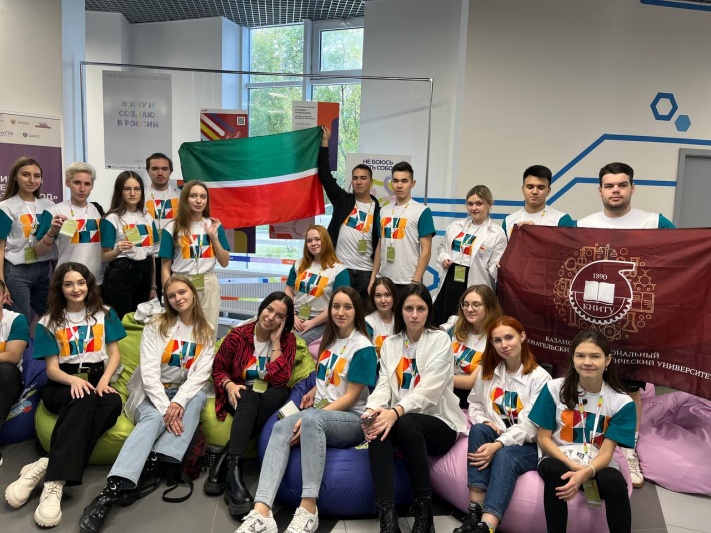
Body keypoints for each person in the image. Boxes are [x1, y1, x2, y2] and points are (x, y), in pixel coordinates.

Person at [78, 274, 215, 533]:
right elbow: (150, 374)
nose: (178, 298)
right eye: (171, 295)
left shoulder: (206, 329)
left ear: (193, 293)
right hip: (150, 392)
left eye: (182, 292)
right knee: (153, 418)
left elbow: (200, 375)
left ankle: (150, 464)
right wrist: (167, 409)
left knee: (197, 397)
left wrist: (179, 401)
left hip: (181, 391)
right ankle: (109, 492)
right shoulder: (156, 325)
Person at [235, 286, 377, 533]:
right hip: (322, 412)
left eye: (347, 307)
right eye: (336, 306)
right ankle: (262, 512)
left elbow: (351, 397)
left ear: (357, 311)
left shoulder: (363, 347)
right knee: (280, 427)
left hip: (352, 419)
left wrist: (315, 415)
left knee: (311, 421)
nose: (340, 312)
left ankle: (309, 509)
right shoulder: (330, 339)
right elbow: (327, 377)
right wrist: (313, 391)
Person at [576, 161, 675, 488]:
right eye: (609, 185)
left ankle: (628, 447)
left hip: (633, 321)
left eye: (621, 185)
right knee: (589, 378)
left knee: (630, 387)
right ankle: (587, 441)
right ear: (600, 190)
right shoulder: (583, 224)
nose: (615, 190)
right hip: (591, 317)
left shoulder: (653, 222)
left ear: (632, 188)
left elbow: (684, 253)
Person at [5, 262, 125, 527]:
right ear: (59, 288)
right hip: (61, 384)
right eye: (68, 284)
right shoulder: (48, 322)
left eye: (80, 282)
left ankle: (45, 465)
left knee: (113, 402)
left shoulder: (105, 313)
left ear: (89, 284)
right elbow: (51, 369)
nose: (76, 289)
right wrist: (73, 381)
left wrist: (104, 381)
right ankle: (55, 484)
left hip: (96, 379)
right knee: (83, 396)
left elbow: (114, 354)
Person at [362, 283, 467, 533]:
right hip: (402, 424)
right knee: (377, 425)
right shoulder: (391, 343)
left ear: (429, 311)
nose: (415, 315)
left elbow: (430, 390)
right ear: (401, 311)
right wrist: (371, 410)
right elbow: (384, 384)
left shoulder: (440, 340)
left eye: (421, 309)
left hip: (439, 423)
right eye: (409, 309)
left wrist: (396, 411)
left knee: (408, 421)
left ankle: (424, 512)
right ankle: (387, 517)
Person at [529, 330, 636, 533]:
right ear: (572, 358)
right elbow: (543, 438)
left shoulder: (622, 402)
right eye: (580, 356)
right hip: (559, 458)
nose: (587, 362)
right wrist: (572, 466)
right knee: (555, 469)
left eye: (595, 356)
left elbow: (606, 453)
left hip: (595, 463)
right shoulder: (554, 389)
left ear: (607, 360)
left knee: (614, 481)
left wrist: (585, 472)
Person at [453, 316, 551, 533]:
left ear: (522, 337)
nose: (504, 345)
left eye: (509, 338)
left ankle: (487, 526)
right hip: (498, 434)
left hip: (529, 444)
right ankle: (474, 512)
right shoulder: (489, 371)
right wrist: (485, 421)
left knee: (506, 455)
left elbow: (531, 426)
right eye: (497, 340)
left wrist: (499, 444)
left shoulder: (540, 378)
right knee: (478, 429)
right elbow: (474, 404)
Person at [208, 291, 296, 517]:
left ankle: (224, 461)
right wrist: (228, 385)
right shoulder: (238, 335)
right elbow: (218, 370)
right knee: (248, 396)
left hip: (266, 396)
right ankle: (235, 472)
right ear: (261, 308)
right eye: (269, 309)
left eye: (279, 315)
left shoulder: (288, 341)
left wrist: (275, 344)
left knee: (279, 393)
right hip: (238, 394)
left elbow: (281, 379)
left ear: (284, 321)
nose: (271, 317)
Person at [318, 126, 380, 309]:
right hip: (341, 268)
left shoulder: (380, 210)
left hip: (366, 272)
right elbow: (325, 175)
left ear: (371, 181)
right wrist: (325, 143)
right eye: (355, 178)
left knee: (362, 316)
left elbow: (380, 246)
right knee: (338, 313)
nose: (358, 182)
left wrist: (374, 277)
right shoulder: (342, 200)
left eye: (363, 178)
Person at [159, 180, 230, 331]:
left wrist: (214, 237)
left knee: (209, 330)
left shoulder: (214, 225)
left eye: (203, 197)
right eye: (193, 196)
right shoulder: (171, 228)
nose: (199, 201)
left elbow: (224, 262)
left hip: (208, 282)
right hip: (181, 283)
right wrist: (168, 293)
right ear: (185, 198)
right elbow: (165, 267)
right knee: (181, 330)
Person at [433, 185, 506, 325]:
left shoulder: (497, 234)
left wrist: (500, 268)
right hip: (451, 279)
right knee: (441, 320)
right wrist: (444, 258)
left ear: (489, 204)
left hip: (475, 281)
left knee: (469, 323)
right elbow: (442, 247)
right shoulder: (455, 226)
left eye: (479, 203)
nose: (474, 208)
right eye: (470, 204)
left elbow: (494, 267)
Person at [0, 157, 56, 321]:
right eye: (25, 175)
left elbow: (54, 242)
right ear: (15, 177)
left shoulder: (49, 205)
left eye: (37, 176)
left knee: (54, 319)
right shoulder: (6, 207)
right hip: (17, 272)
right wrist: (2, 284)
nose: (32, 180)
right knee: (21, 322)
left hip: (43, 270)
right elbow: (0, 247)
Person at [370, 162, 435, 297]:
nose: (399, 185)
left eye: (404, 181)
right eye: (396, 181)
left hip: (408, 281)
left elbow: (426, 251)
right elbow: (380, 246)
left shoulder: (422, 211)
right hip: (383, 279)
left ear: (412, 183)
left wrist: (415, 282)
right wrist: (373, 279)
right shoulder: (383, 211)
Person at [100, 171, 159, 318]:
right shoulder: (111, 219)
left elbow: (151, 254)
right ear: (119, 191)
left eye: (137, 189)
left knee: (141, 321)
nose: (133, 193)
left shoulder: (148, 218)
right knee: (122, 320)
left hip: (145, 275)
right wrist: (117, 250)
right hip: (120, 276)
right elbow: (104, 257)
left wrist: (153, 286)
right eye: (127, 189)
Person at [35, 162, 105, 287]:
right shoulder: (53, 212)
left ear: (92, 185)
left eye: (87, 184)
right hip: (67, 280)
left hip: (97, 280)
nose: (82, 189)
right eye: (77, 182)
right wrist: (51, 232)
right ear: (67, 182)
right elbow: (39, 251)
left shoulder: (98, 210)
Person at [285, 224, 350, 345]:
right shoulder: (299, 264)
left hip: (321, 321)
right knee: (270, 332)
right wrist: (292, 314)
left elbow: (338, 305)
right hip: (295, 315)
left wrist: (312, 323)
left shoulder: (339, 270)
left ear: (325, 240)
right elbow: (289, 290)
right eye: (309, 241)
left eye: (317, 239)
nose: (313, 243)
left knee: (292, 342)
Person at [441, 285, 502, 408]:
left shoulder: (496, 338)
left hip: (468, 398)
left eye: (476, 304)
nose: (469, 309)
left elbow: (470, 382)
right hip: (444, 389)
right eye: (466, 304)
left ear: (489, 307)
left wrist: (435, 378)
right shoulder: (455, 326)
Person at [0, 279, 30, 467]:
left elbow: (12, 356)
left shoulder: (15, 320)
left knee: (4, 370)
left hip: (7, 379)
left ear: (4, 297)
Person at [501, 165, 574, 239]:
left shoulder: (561, 220)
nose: (535, 192)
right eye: (530, 187)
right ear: (523, 189)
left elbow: (568, 246)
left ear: (548, 191)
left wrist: (536, 232)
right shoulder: (508, 221)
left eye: (541, 187)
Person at [145, 153, 181, 301]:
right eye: (155, 169)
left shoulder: (181, 196)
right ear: (147, 170)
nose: (160, 173)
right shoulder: (140, 196)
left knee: (174, 300)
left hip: (173, 256)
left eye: (164, 169)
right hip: (150, 257)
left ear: (171, 171)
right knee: (150, 303)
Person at [365, 276, 396, 358]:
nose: (383, 300)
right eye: (378, 296)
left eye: (387, 295)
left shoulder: (401, 320)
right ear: (373, 298)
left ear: (394, 297)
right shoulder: (368, 322)